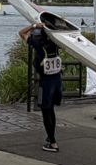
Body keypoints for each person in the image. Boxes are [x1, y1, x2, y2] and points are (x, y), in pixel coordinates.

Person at [19, 21, 63, 153]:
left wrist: (34, 25)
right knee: (51, 110)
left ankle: (53, 143)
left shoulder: (37, 43)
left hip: (46, 83)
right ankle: (51, 137)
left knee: (45, 111)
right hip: (57, 81)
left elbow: (21, 33)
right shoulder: (56, 43)